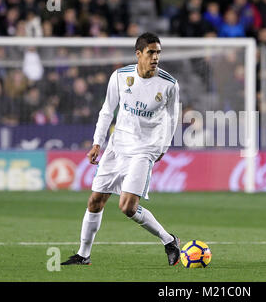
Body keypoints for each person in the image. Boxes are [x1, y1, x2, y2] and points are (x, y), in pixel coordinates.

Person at [61, 33, 181, 266]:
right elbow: (107, 111)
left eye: (158, 52)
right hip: (117, 146)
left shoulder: (169, 84)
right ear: (139, 54)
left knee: (127, 207)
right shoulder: (120, 76)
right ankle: (83, 255)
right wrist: (98, 142)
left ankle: (168, 240)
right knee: (95, 200)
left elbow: (172, 118)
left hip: (145, 149)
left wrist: (164, 146)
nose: (156, 57)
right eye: (151, 52)